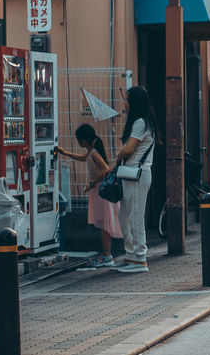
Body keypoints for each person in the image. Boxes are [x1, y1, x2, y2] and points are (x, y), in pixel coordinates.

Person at [105, 86, 155, 274]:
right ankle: (130, 255)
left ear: (134, 102)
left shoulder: (140, 122)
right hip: (131, 174)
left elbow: (128, 150)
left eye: (127, 99)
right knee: (124, 215)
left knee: (135, 216)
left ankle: (140, 259)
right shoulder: (142, 122)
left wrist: (118, 155)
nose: (124, 103)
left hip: (137, 174)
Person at [56, 124, 121, 268]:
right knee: (104, 224)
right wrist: (65, 153)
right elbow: (82, 158)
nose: (78, 143)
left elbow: (106, 170)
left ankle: (107, 256)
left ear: (83, 141)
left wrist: (91, 183)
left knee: (105, 225)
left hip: (100, 191)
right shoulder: (92, 152)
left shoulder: (94, 154)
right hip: (100, 192)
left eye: (78, 140)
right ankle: (106, 255)